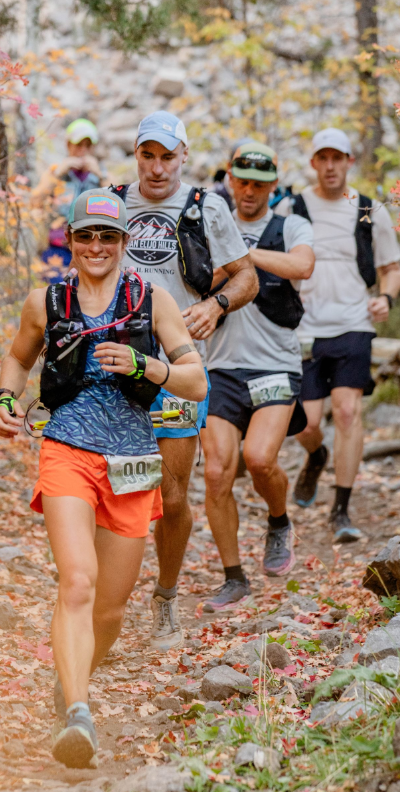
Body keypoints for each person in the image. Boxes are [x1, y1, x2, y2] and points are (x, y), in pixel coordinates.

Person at [0, 189, 207, 768]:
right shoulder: (46, 301)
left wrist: (146, 364)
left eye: (107, 236)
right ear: (69, 239)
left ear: (123, 242)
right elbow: (18, 360)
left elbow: (195, 382)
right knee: (78, 582)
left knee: (109, 610)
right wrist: (4, 398)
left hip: (132, 460)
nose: (95, 246)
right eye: (85, 235)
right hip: (67, 450)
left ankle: (73, 677)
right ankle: (79, 714)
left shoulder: (152, 301)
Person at [108, 111, 258, 650]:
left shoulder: (206, 207)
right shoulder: (111, 202)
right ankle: (105, 606)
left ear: (183, 157)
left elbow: (247, 276)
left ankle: (165, 598)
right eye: (147, 155)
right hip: (115, 367)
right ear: (136, 154)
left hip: (179, 371)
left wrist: (216, 306)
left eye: (167, 156)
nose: (156, 167)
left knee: (172, 498)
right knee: (116, 491)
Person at [202, 142, 315, 611]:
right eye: (242, 181)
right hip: (220, 366)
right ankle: (233, 577)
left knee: (260, 458)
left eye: (259, 184)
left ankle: (279, 520)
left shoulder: (290, 225)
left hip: (275, 364)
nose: (249, 191)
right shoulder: (210, 224)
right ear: (230, 180)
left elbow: (302, 264)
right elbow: (196, 279)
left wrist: (244, 255)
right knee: (216, 472)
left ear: (273, 185)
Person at [281, 128, 400, 541]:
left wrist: (385, 297)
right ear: (314, 162)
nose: (331, 166)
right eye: (324, 158)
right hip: (304, 328)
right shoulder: (293, 207)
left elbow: (390, 267)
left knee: (348, 412)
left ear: (349, 161)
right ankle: (317, 455)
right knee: (305, 423)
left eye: (338, 158)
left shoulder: (368, 209)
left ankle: (341, 511)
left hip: (354, 323)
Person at [33, 118, 103, 283]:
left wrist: (100, 175)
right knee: (57, 292)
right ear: (68, 145)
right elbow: (35, 200)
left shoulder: (101, 174)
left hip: (91, 249)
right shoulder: (55, 172)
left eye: (88, 146)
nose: (83, 151)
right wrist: (59, 173)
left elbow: (120, 202)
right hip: (58, 247)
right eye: (78, 145)